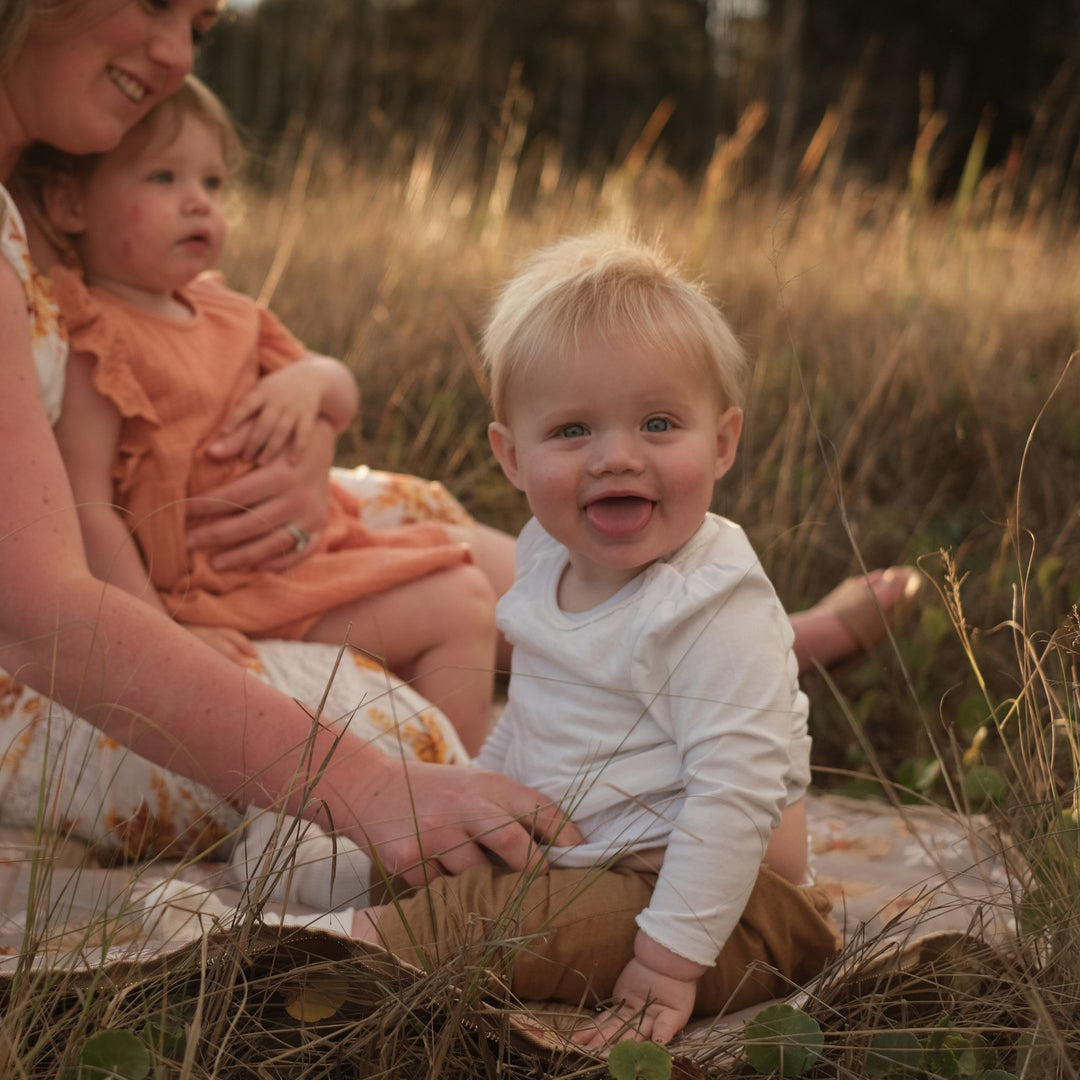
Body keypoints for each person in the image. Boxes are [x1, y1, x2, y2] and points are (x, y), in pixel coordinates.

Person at [0, 0, 582, 902]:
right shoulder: (75, 275)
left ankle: (678, 630)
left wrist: (307, 439)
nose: (173, 53)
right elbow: (47, 599)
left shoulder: (73, 206)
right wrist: (368, 787)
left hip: (183, 565)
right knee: (405, 733)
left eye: (202, 25)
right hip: (75, 647)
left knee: (419, 513)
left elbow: (287, 376)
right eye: (157, 2)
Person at [348, 233, 842, 1047]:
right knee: (416, 854)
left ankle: (314, 949)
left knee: (482, 925)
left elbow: (737, 792)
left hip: (727, 907)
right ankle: (349, 904)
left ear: (721, 441)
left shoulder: (709, 602)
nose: (617, 457)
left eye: (657, 423)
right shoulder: (548, 557)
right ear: (512, 456)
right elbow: (537, 715)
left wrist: (667, 963)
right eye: (573, 430)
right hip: (601, 863)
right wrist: (481, 801)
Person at [35, 75, 497, 755]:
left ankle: (456, 765)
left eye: (214, 183)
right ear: (70, 204)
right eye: (163, 177)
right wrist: (162, 633)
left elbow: (342, 395)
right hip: (222, 591)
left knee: (467, 583)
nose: (198, 201)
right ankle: (455, 798)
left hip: (302, 553)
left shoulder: (229, 312)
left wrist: (310, 381)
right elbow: (88, 509)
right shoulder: (98, 340)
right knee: (461, 603)